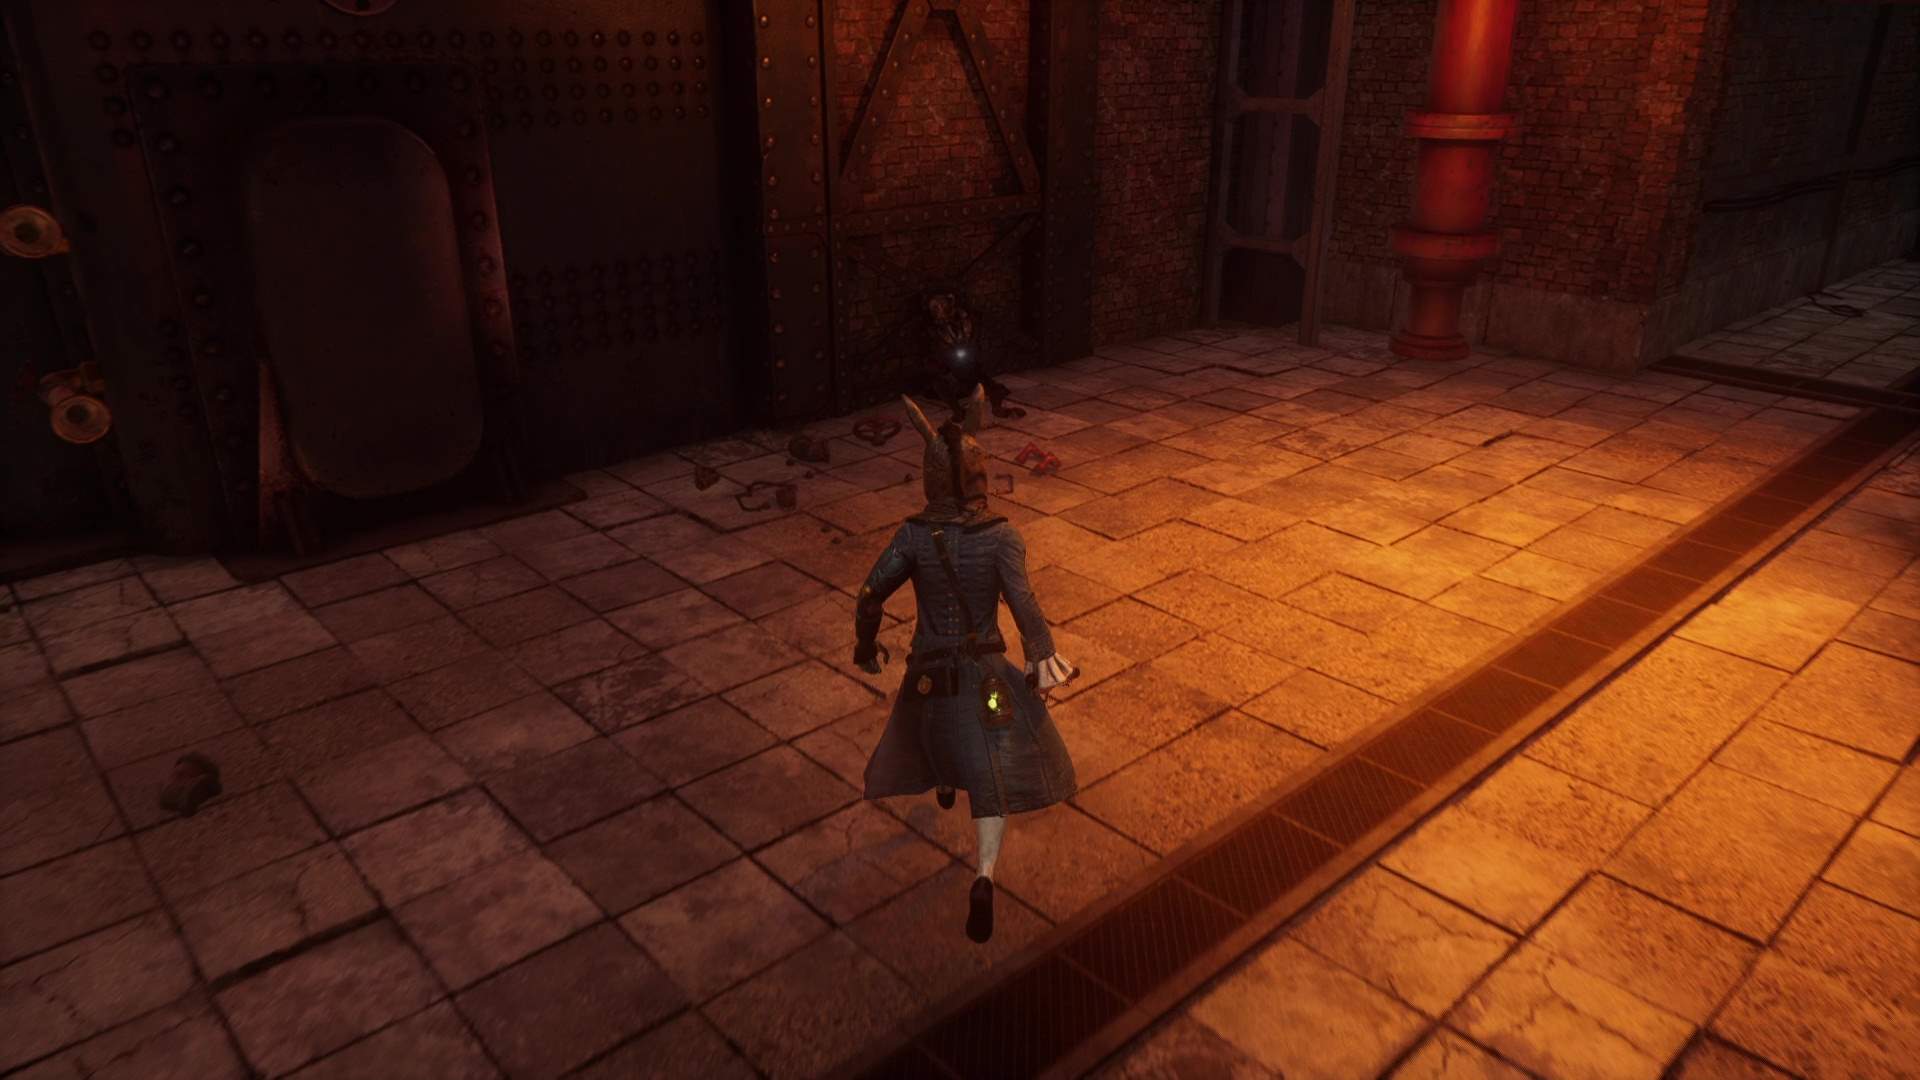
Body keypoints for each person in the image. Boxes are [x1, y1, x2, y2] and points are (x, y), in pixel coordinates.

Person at [853, 385, 1077, 943]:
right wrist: (1042, 657)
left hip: (928, 678)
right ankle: (983, 876)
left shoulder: (913, 536)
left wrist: (865, 646)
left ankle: (945, 782)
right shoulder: (1002, 537)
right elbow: (1024, 605)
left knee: (930, 738)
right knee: (991, 773)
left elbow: (870, 595)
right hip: (987, 683)